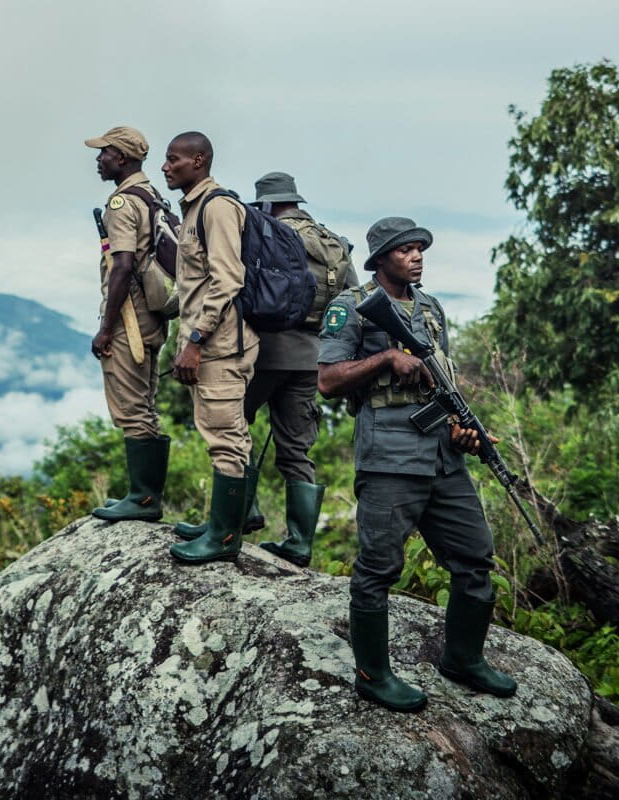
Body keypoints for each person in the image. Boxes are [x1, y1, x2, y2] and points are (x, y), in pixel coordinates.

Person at [317, 217, 517, 712]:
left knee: (475, 558)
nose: (416, 256)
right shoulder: (351, 307)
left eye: (419, 248)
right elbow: (328, 380)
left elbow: (442, 384)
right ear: (380, 259)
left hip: (443, 459)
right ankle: (373, 675)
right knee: (378, 569)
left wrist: (463, 429)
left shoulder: (431, 308)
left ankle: (463, 659)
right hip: (389, 459)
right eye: (404, 250)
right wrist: (385, 360)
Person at [247, 171, 358, 568]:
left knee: (230, 425)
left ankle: (239, 515)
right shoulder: (333, 242)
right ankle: (298, 544)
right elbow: (353, 302)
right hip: (313, 358)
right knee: (296, 448)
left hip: (264, 353)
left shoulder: (265, 233)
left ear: (266, 204)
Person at [161, 131, 259, 564]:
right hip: (212, 343)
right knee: (226, 433)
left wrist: (196, 340)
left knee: (225, 438)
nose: (165, 167)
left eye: (174, 159)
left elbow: (227, 280)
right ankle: (223, 523)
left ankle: (223, 537)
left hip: (220, 346)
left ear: (198, 160)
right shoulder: (194, 208)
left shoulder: (215, 208)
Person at [84, 126, 171, 521]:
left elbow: (121, 266)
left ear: (121, 157)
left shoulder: (122, 203)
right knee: (146, 404)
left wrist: (106, 328)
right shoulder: (152, 196)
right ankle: (145, 495)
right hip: (153, 316)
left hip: (129, 319)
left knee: (132, 406)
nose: (98, 159)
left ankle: (143, 498)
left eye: (103, 152)